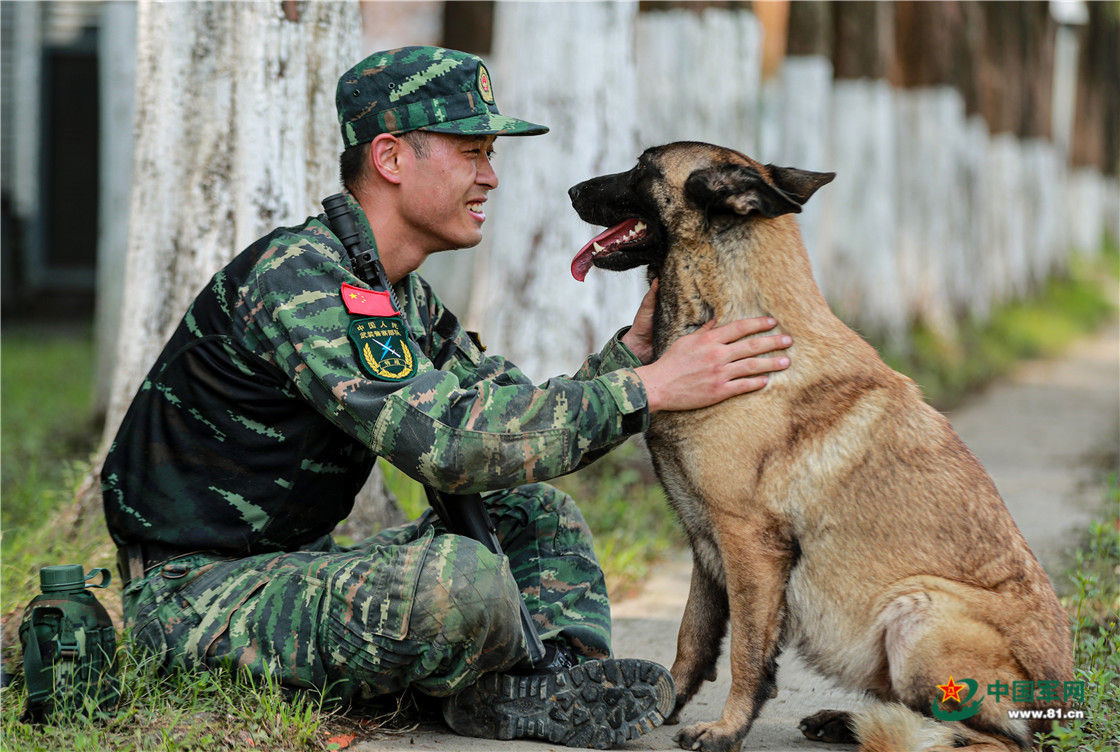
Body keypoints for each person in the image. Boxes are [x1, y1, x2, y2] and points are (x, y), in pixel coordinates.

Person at [102, 46, 792, 748]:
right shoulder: (301, 279)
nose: (491, 177)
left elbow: (507, 416)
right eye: (472, 152)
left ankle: (538, 680)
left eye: (490, 153)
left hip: (293, 568)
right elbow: (450, 446)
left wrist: (634, 356)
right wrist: (650, 387)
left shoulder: (392, 290)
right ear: (392, 158)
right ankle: (501, 685)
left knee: (535, 514)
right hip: (195, 599)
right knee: (458, 583)